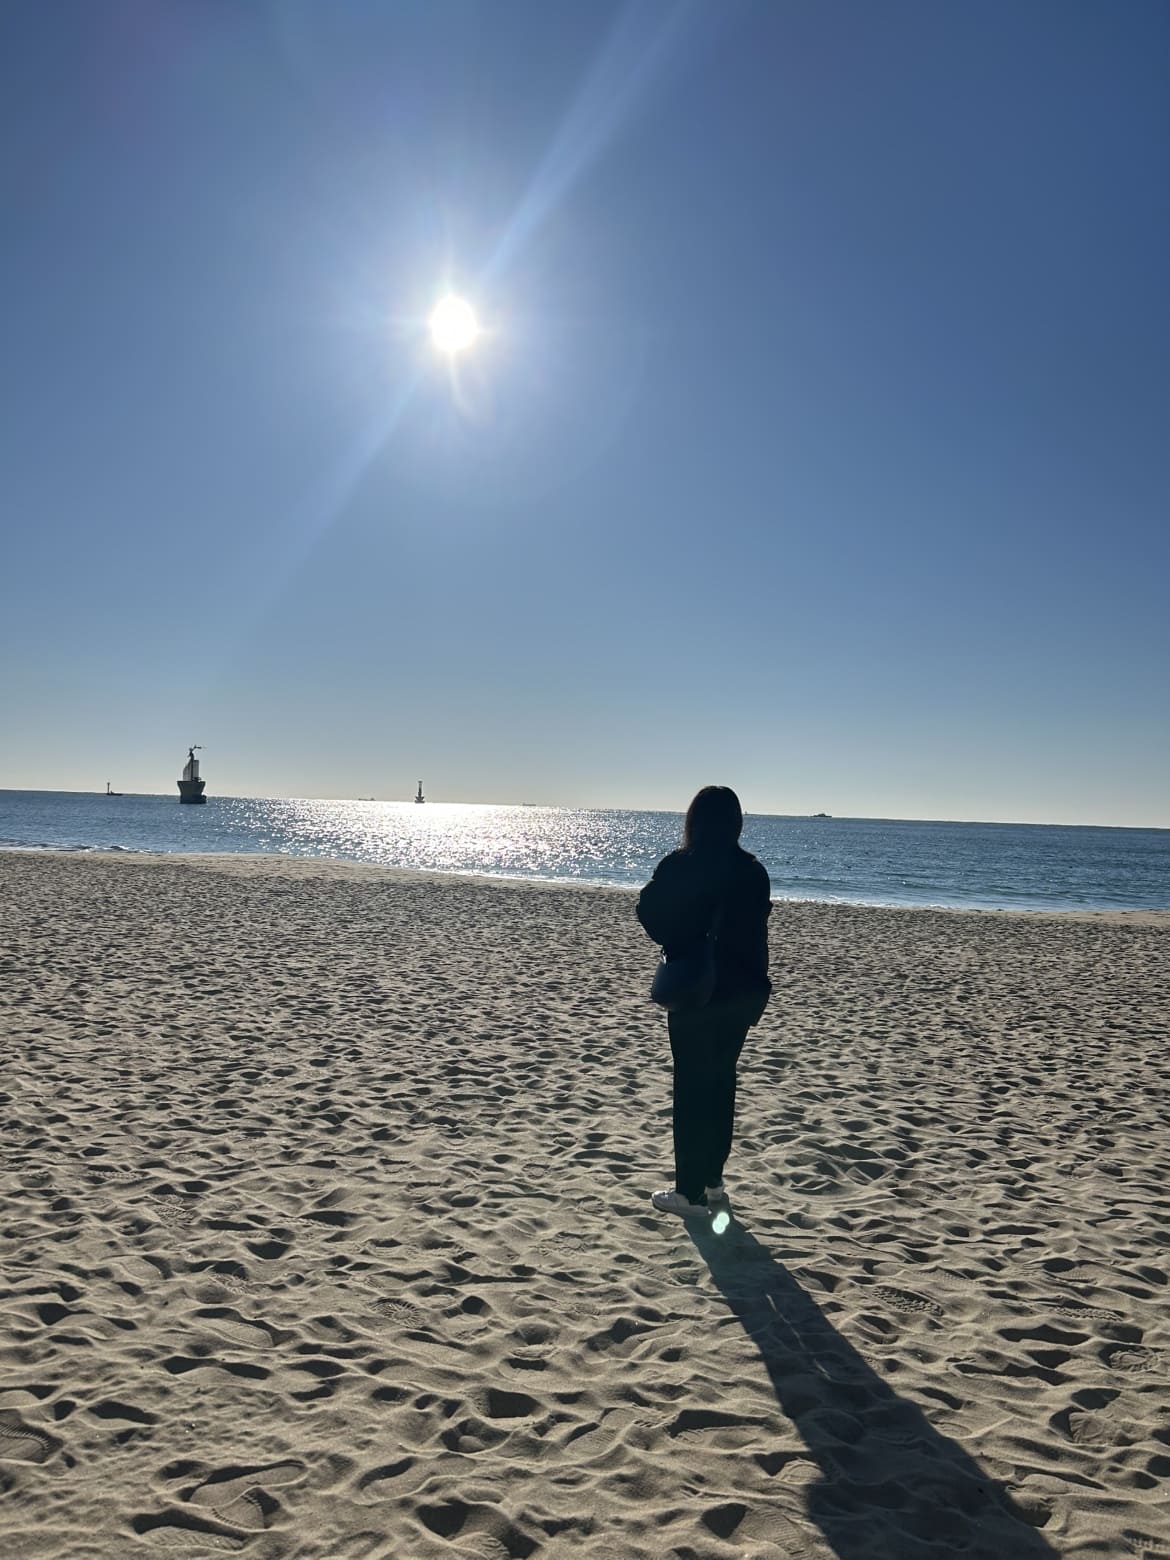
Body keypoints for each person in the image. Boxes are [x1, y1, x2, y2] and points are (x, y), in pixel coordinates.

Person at [636, 785, 772, 1218]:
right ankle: (713, 1181)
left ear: (693, 821)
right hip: (741, 991)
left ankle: (689, 1193)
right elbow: (757, 935)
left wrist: (679, 940)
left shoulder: (681, 865)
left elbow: (648, 912)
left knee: (691, 1088)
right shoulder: (753, 871)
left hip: (696, 989)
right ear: (736, 823)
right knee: (721, 1083)